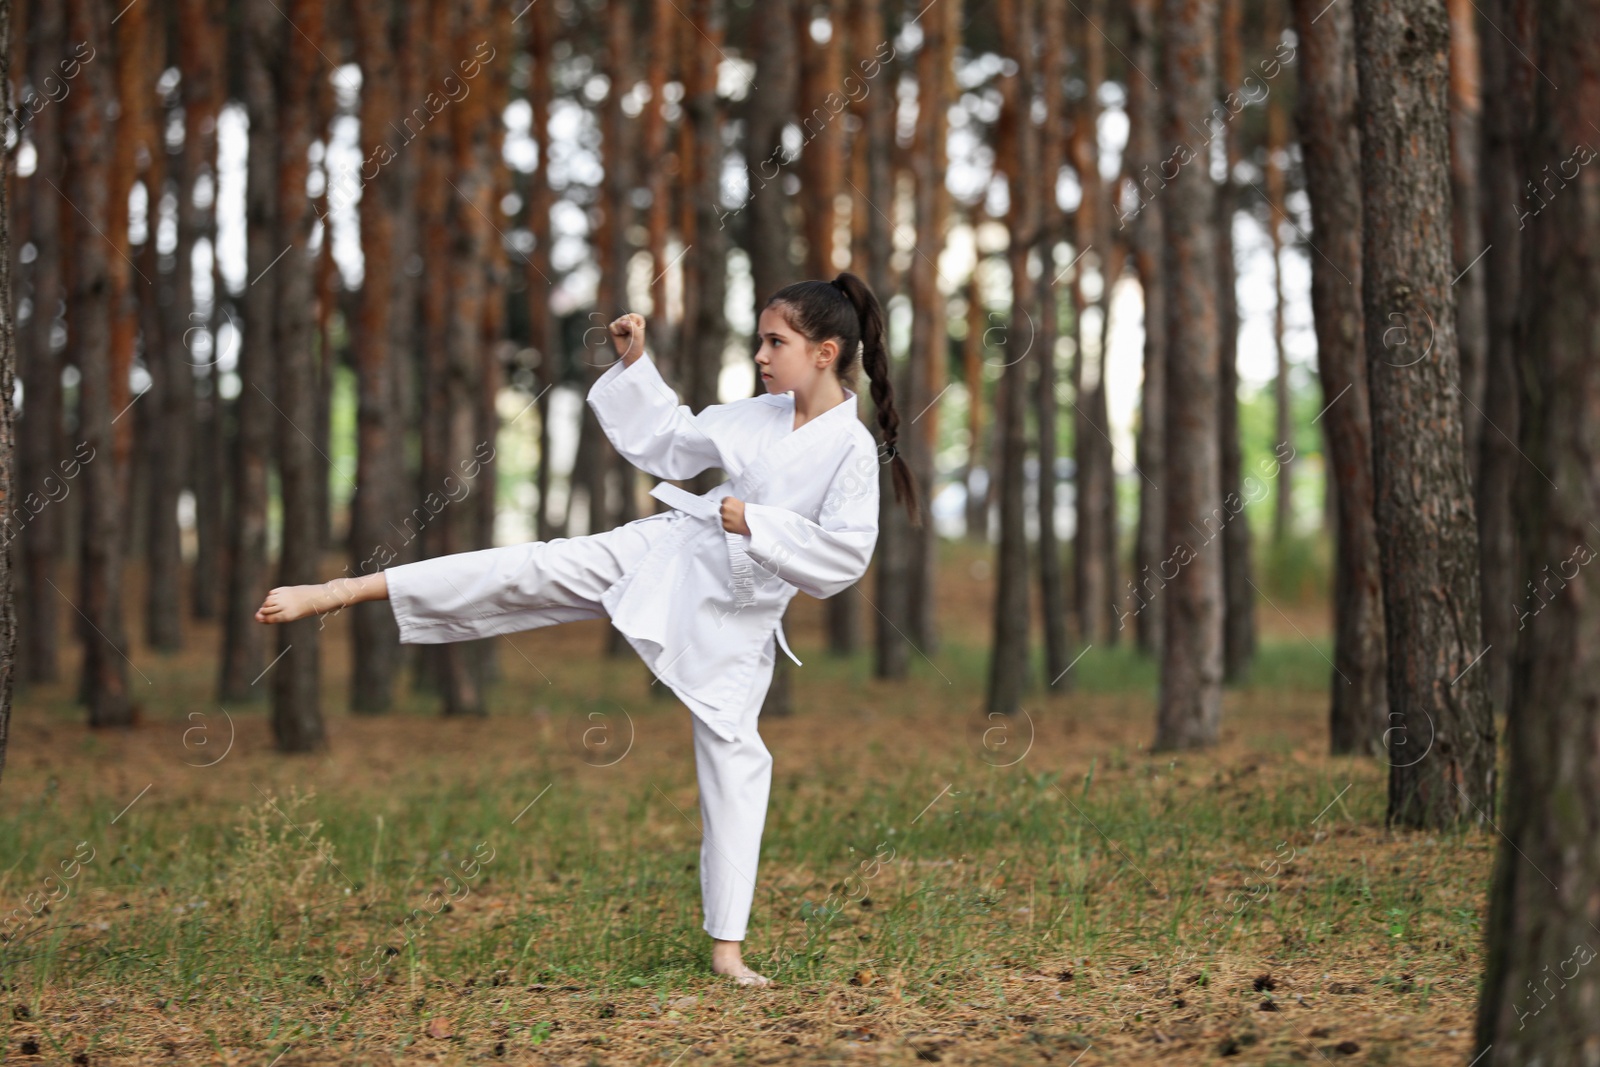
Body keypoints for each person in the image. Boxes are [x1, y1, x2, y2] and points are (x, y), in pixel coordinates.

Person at [256, 272, 922, 985]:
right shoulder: (758, 414)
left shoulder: (850, 449)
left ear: (825, 353)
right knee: (528, 568)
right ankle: (347, 588)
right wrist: (637, 366)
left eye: (774, 341)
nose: (760, 354)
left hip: (738, 614)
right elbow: (672, 441)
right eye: (760, 338)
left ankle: (727, 947)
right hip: (666, 554)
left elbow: (847, 555)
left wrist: (756, 520)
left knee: (737, 764)